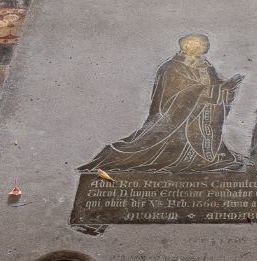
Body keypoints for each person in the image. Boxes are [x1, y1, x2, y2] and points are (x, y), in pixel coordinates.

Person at [81, 34, 244, 173]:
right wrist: (210, 91)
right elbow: (172, 98)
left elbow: (215, 87)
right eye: (202, 44)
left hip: (203, 121)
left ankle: (207, 158)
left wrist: (226, 89)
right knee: (146, 151)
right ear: (188, 46)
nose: (206, 46)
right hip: (175, 123)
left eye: (206, 44)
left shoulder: (206, 67)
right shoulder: (171, 68)